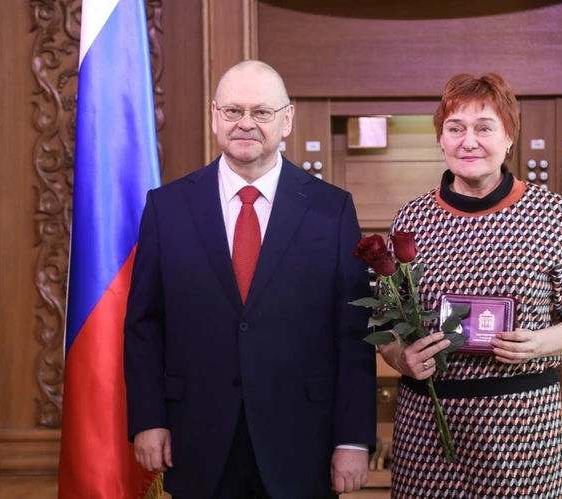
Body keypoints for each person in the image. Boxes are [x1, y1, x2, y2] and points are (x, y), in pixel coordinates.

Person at [124, 60, 377, 499]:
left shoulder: (332, 209)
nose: (245, 123)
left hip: (303, 444)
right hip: (196, 439)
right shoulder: (167, 207)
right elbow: (144, 325)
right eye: (232, 111)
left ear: (287, 120)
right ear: (214, 116)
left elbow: (354, 334)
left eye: (261, 112)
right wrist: (149, 418)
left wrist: (352, 439)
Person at [378, 73, 562, 498]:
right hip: (427, 426)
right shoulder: (412, 219)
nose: (469, 142)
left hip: (521, 429)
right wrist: (400, 358)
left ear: (509, 138)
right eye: (455, 129)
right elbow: (385, 319)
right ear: (441, 139)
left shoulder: (550, 215)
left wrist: (539, 343)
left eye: (484, 128)